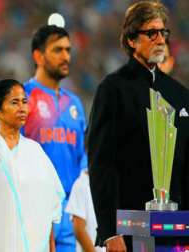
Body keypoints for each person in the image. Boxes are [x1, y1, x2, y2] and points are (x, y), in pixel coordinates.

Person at [87, 1, 189, 251]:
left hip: (177, 228)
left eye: (163, 32)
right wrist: (110, 231)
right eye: (151, 33)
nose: (160, 39)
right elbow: (101, 165)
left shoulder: (179, 95)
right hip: (130, 228)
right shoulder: (112, 90)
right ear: (131, 40)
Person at [0, 79, 64, 252]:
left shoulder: (36, 152)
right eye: (14, 102)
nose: (22, 108)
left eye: (24, 102)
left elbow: (47, 209)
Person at [22, 25, 87, 252]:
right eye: (57, 50)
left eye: (68, 50)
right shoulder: (22, 97)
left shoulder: (75, 105)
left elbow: (84, 157)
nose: (66, 56)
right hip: (34, 208)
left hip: (69, 210)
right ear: (38, 55)